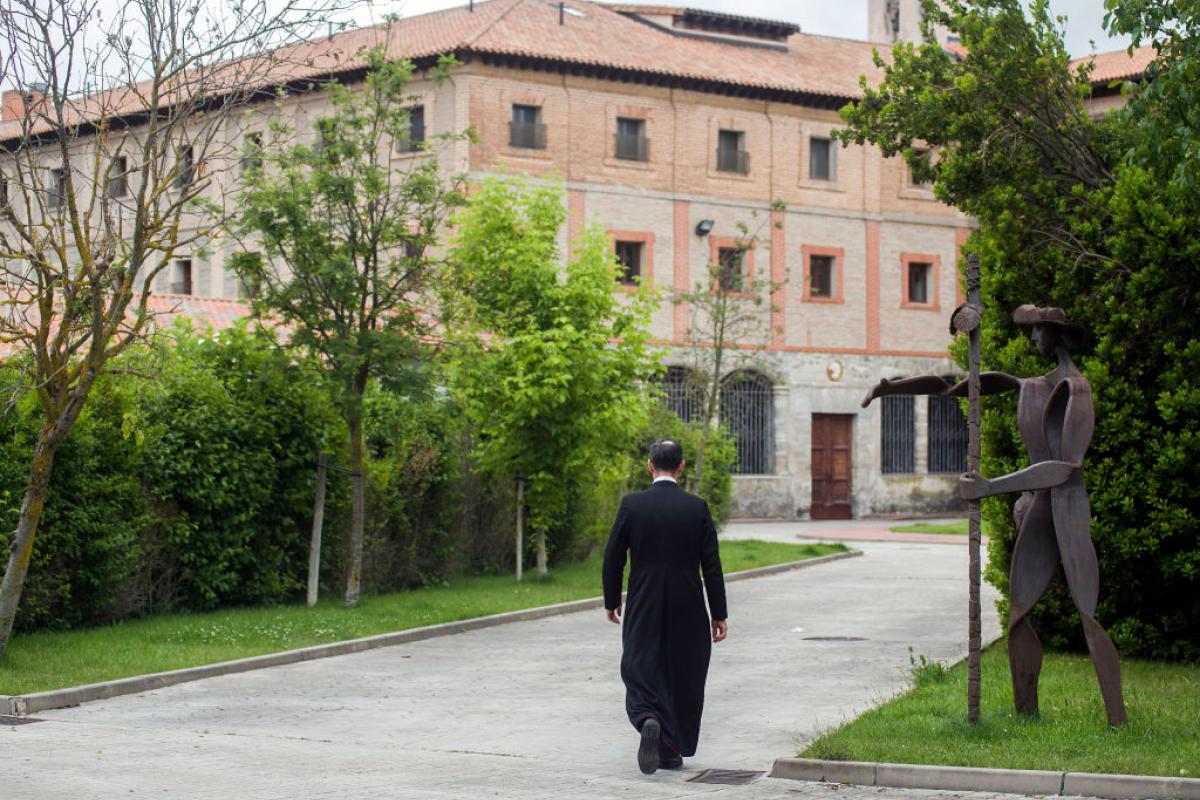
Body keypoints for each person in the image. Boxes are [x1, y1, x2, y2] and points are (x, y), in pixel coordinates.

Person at [862, 304, 1126, 726]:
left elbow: (1068, 467)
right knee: (1020, 614)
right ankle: (1027, 715)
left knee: (1087, 613)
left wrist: (991, 487)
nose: (1032, 339)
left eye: (1037, 331)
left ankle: (1118, 718)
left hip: (1069, 506)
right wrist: (891, 389)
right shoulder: (1031, 387)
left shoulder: (1078, 389)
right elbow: (957, 386)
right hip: (1040, 506)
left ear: (1056, 334)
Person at [602, 439, 729, 774]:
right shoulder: (697, 507)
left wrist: (612, 600)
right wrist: (719, 614)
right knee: (684, 671)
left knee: (639, 664)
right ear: (682, 467)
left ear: (649, 465)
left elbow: (613, 557)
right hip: (688, 602)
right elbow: (711, 566)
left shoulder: (632, 505)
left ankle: (647, 718)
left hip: (644, 599)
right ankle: (670, 749)